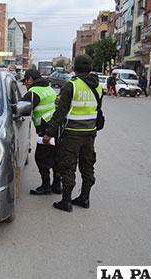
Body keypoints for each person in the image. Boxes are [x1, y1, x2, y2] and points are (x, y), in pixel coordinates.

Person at [42, 55, 102, 212]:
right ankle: (85, 198)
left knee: (68, 166)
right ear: (90, 68)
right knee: (87, 165)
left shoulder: (71, 86)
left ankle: (66, 202)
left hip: (72, 134)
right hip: (90, 133)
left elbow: (60, 113)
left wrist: (49, 133)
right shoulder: (98, 86)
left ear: (74, 69)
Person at [21, 69, 62, 195]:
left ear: (30, 79)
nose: (25, 85)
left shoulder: (33, 93)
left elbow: (21, 108)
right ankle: (56, 185)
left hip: (46, 130)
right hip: (57, 128)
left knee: (40, 158)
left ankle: (46, 186)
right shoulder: (48, 88)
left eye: (25, 81)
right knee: (55, 157)